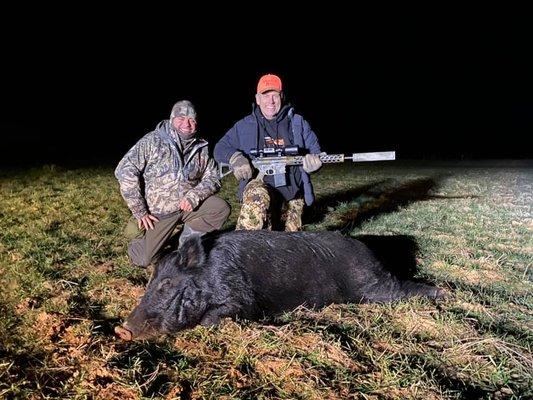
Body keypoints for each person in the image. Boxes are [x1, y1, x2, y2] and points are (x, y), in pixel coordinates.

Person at [115, 100, 230, 267]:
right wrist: (140, 211)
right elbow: (124, 171)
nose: (187, 123)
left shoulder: (201, 146)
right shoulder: (153, 141)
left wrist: (195, 195)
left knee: (220, 208)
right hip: (158, 213)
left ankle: (186, 242)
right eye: (181, 118)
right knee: (144, 259)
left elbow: (213, 177)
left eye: (192, 119)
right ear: (171, 119)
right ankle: (136, 233)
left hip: (187, 208)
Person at [214, 74, 322, 231]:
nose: (270, 101)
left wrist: (313, 164)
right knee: (255, 203)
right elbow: (220, 148)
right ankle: (242, 248)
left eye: (275, 95)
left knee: (289, 243)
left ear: (282, 96)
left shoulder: (298, 123)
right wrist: (236, 159)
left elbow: (315, 152)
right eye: (265, 95)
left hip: (292, 194)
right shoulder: (244, 126)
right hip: (260, 188)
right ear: (257, 99)